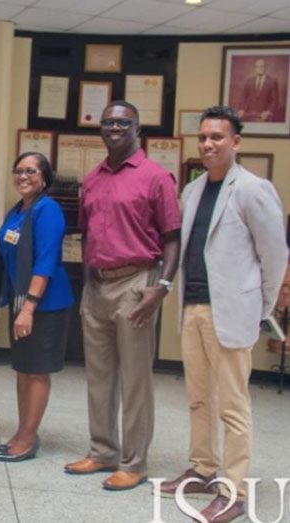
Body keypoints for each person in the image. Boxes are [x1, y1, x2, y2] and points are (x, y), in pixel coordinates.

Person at [160, 106, 286, 523]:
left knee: (233, 406)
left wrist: (261, 309)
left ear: (236, 142)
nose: (208, 144)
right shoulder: (193, 190)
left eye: (217, 137)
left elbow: (275, 256)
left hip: (231, 312)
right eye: (203, 137)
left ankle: (232, 492)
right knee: (198, 398)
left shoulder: (253, 189)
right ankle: (202, 468)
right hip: (194, 307)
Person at [64, 101, 180, 490]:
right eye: (108, 122)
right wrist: (87, 285)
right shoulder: (93, 177)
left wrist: (160, 287)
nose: (114, 127)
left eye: (122, 122)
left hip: (136, 283)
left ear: (137, 128)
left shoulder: (155, 177)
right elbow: (87, 232)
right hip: (96, 285)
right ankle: (102, 452)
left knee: (134, 380)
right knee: (98, 377)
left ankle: (134, 462)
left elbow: (172, 238)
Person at [0, 152, 73, 462]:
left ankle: (28, 438)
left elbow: (45, 260)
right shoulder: (19, 210)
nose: (23, 176)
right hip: (22, 304)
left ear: (44, 177)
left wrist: (28, 308)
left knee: (36, 372)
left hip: (44, 306)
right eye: (19, 170)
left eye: (31, 171)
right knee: (23, 370)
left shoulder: (47, 210)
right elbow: (7, 258)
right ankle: (22, 432)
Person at [237, 58, 280, 122]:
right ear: (255, 68)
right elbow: (244, 97)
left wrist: (268, 111)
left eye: (262, 66)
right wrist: (241, 109)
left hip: (264, 115)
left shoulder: (272, 81)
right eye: (258, 66)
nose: (260, 68)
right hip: (249, 114)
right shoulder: (249, 81)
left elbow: (275, 101)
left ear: (266, 67)